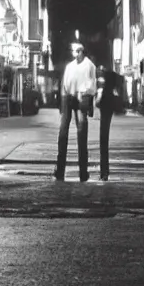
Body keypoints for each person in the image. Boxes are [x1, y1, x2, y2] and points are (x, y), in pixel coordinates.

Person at [56, 42, 96, 182]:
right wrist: (63, 103)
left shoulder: (89, 66)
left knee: (81, 134)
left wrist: (86, 95)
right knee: (63, 133)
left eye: (78, 51)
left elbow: (92, 86)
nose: (75, 54)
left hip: (82, 97)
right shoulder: (70, 66)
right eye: (73, 51)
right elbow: (64, 85)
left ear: (82, 51)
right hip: (69, 97)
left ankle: (83, 172)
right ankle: (60, 171)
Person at [95, 65, 122, 181]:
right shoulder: (112, 88)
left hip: (105, 105)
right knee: (104, 139)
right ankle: (104, 171)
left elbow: (98, 102)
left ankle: (104, 171)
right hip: (109, 105)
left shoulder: (104, 89)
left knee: (103, 139)